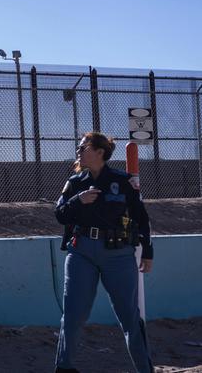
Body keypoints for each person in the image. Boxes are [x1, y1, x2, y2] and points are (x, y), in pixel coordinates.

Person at [54, 132, 154, 373]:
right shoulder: (75, 182)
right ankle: (64, 368)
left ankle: (145, 369)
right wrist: (78, 200)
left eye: (83, 147)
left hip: (118, 255)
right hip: (81, 253)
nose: (78, 151)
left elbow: (141, 218)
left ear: (99, 151)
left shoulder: (124, 181)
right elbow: (60, 214)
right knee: (73, 315)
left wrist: (147, 252)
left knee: (129, 317)